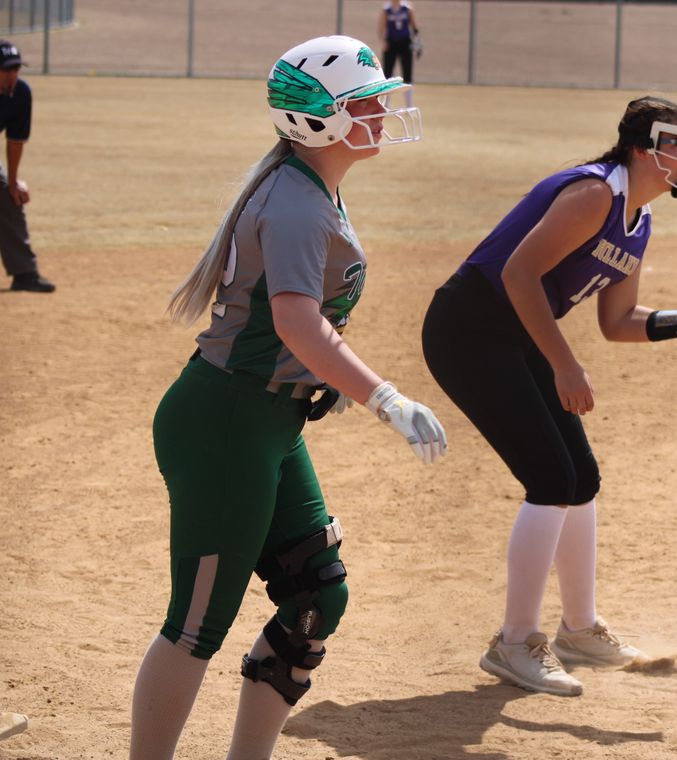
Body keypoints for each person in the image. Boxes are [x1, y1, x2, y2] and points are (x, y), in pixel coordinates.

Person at [129, 35, 444, 760]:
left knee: (315, 596)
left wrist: (314, 381)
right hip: (227, 421)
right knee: (197, 623)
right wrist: (383, 398)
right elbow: (299, 321)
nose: (380, 113)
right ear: (317, 119)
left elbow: (300, 327)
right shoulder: (299, 200)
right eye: (363, 102)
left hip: (264, 417)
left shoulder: (310, 186)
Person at [421, 96, 677, 697]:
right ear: (640, 146)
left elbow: (619, 320)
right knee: (551, 480)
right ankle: (514, 642)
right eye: (675, 143)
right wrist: (565, 365)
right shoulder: (595, 194)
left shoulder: (639, 218)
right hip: (469, 330)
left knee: (581, 478)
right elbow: (517, 275)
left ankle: (579, 629)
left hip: (516, 334)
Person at [0, 40, 53, 293]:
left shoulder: (20, 93)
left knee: (11, 198)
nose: (12, 74)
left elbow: (15, 141)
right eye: (5, 69)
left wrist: (12, 182)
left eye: (15, 68)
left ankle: (24, 273)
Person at [379, 0, 420, 108]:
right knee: (388, 73)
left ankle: (409, 104)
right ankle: (386, 104)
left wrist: (417, 42)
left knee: (407, 73)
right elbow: (382, 27)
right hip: (391, 43)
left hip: (405, 43)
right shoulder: (386, 9)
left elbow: (414, 27)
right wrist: (384, 41)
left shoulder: (407, 8)